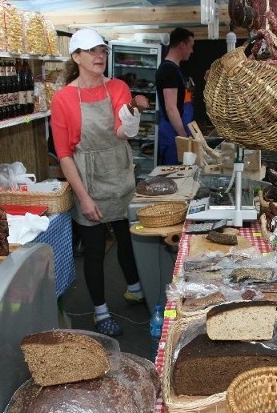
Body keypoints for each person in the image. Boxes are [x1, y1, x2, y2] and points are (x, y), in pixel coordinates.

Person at [51, 28, 149, 336]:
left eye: (102, 51)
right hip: (87, 176)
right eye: (91, 51)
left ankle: (134, 287)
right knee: (94, 249)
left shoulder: (117, 87)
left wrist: (132, 113)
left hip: (119, 170)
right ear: (76, 56)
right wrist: (84, 197)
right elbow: (64, 154)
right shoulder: (64, 98)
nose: (99, 56)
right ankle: (100, 311)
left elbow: (123, 133)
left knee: (128, 235)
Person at [156, 27, 195, 165]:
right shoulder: (169, 70)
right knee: (173, 173)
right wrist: (183, 136)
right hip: (172, 132)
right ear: (182, 45)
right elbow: (171, 108)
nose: (192, 51)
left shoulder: (173, 69)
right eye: (191, 46)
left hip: (174, 130)